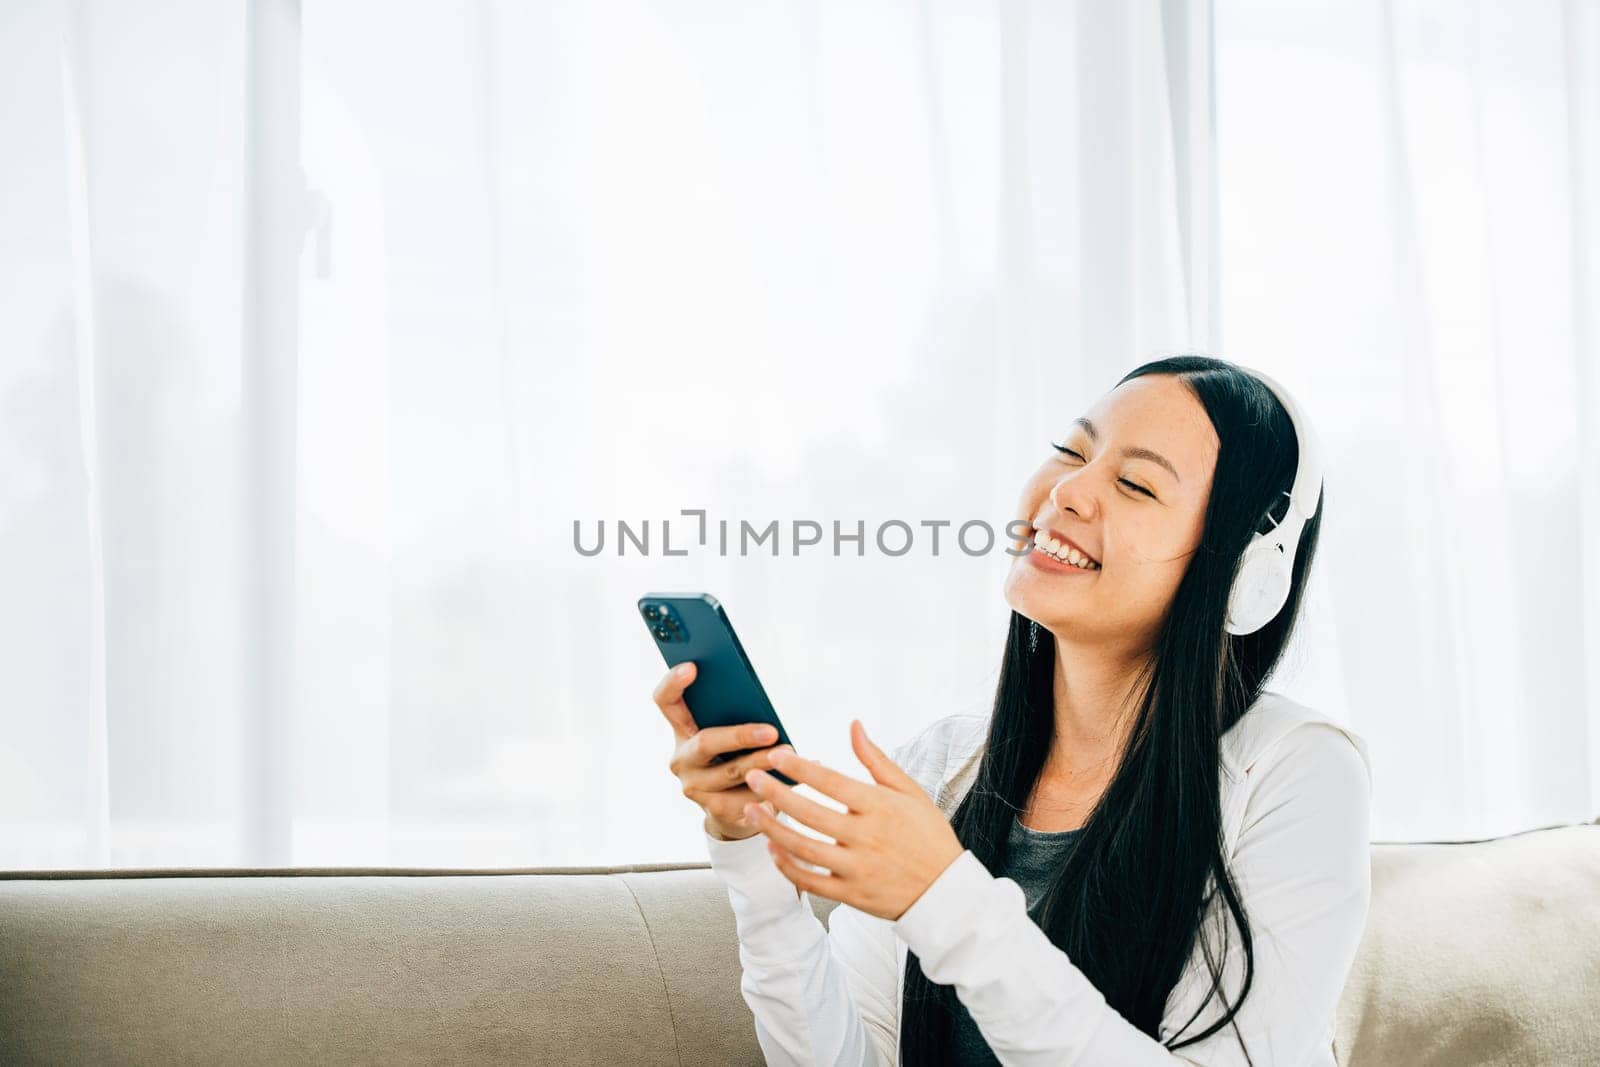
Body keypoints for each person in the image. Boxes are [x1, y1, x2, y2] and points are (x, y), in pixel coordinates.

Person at [654, 356, 1371, 1065]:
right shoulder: (943, 765)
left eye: (1135, 483)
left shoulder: (1298, 771)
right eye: (1070, 450)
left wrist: (944, 899)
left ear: (1248, 576)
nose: (1068, 490)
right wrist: (755, 860)